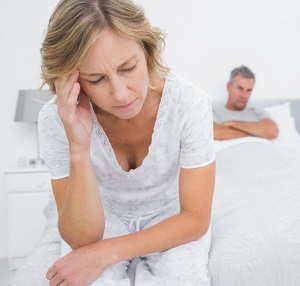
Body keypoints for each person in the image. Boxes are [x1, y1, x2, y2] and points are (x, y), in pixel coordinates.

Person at [38, 0, 215, 285]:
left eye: (128, 68)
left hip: (172, 219)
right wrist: (78, 147)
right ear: (73, 82)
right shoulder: (55, 120)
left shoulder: (190, 104)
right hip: (101, 218)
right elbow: (82, 238)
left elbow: (195, 218)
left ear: (146, 50)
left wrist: (105, 254)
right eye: (96, 79)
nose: (120, 94)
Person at [213, 65, 278, 140]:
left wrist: (233, 124)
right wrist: (257, 132)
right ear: (228, 87)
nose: (244, 95)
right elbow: (214, 133)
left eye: (248, 90)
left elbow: (272, 131)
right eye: (240, 88)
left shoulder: (256, 111)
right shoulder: (214, 112)